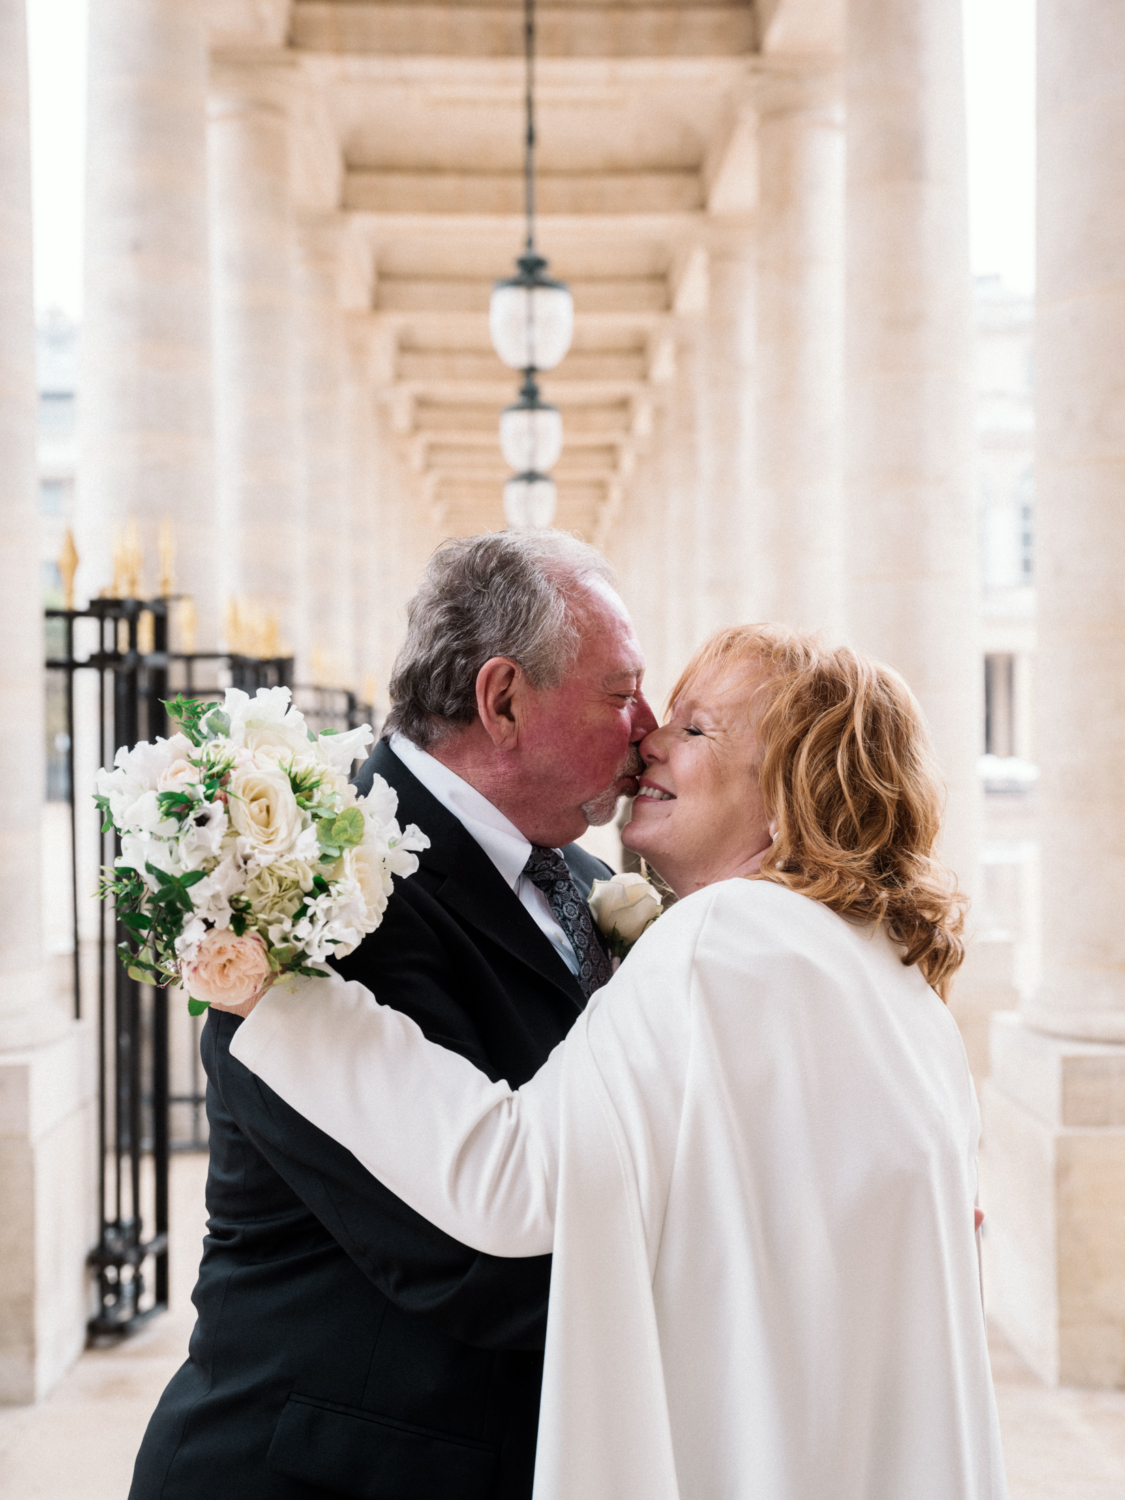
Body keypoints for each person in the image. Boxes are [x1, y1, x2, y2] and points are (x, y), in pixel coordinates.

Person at [224, 624, 1009, 1500]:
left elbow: (513, 1179)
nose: (648, 740)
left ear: (793, 794)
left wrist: (275, 992)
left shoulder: (721, 937)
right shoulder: (901, 987)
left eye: (696, 728)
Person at [128, 531, 657, 1500]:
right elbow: (474, 1263)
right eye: (621, 692)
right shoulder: (319, 902)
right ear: (503, 701)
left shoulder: (582, 878)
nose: (648, 725)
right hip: (315, 1472)